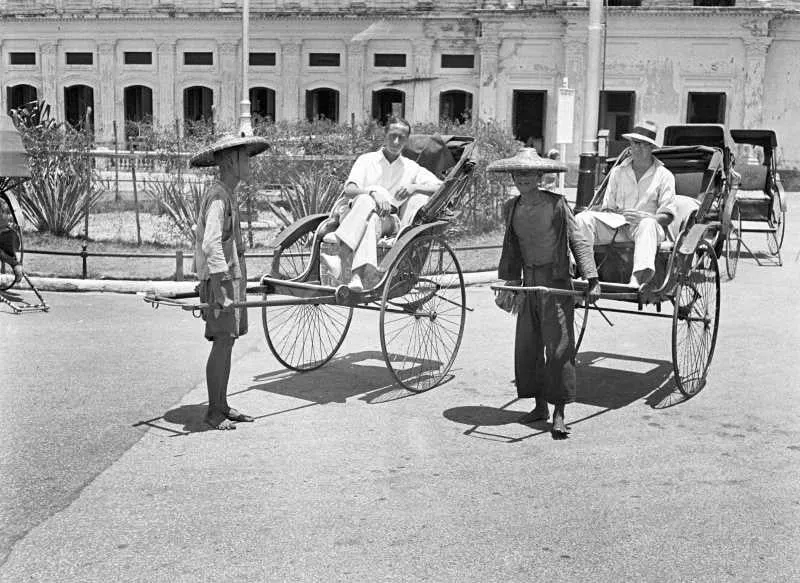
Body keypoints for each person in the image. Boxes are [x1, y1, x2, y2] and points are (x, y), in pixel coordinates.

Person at [489, 148, 601, 437]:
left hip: (555, 281)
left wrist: (591, 277)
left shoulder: (557, 204)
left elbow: (578, 239)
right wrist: (510, 283)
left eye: (528, 173)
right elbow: (511, 247)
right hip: (529, 283)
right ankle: (539, 406)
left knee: (559, 346)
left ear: (540, 176)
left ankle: (559, 412)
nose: (522, 178)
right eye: (517, 174)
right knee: (528, 345)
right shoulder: (511, 208)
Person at [190, 134, 269, 430]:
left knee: (229, 342)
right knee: (222, 343)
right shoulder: (218, 197)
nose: (249, 162)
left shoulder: (227, 193)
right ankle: (213, 411)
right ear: (229, 161)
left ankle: (222, 404)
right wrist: (222, 288)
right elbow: (210, 244)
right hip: (221, 280)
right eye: (244, 157)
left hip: (230, 277)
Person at [330, 116, 443, 290]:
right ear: (385, 135)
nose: (396, 141)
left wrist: (414, 187)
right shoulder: (366, 160)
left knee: (375, 217)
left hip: (388, 221)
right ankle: (356, 276)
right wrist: (373, 193)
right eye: (392, 135)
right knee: (369, 208)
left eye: (402, 138)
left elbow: (440, 187)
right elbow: (350, 190)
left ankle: (341, 256)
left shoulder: (411, 167)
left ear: (406, 140)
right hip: (355, 215)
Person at [574, 121, 677, 289]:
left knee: (647, 224)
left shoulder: (664, 176)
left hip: (648, 230)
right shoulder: (618, 172)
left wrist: (647, 217)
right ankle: (585, 273)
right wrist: (618, 215)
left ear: (652, 148)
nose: (639, 148)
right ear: (630, 145)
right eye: (636, 143)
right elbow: (607, 207)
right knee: (582, 218)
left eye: (645, 145)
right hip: (618, 226)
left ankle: (637, 279)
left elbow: (667, 215)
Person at [0, 196, 24, 285]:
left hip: (6, 236)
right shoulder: (5, 201)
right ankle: (15, 265)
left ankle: (15, 264)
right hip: (11, 235)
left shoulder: (3, 202)